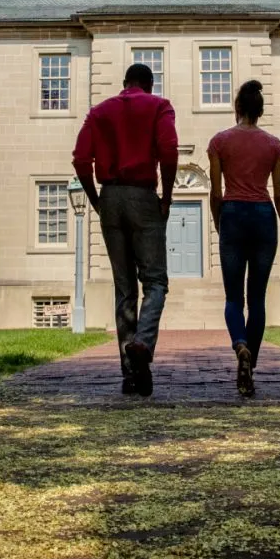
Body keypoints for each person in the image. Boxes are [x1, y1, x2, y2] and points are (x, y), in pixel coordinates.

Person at [72, 63, 179, 397]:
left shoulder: (100, 112)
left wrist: (96, 201)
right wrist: (168, 196)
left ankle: (132, 376)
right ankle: (143, 342)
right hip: (143, 195)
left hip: (110, 196)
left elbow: (79, 160)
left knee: (124, 288)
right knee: (156, 281)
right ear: (149, 84)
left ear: (124, 83)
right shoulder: (159, 106)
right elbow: (169, 150)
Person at [206, 79, 280, 397]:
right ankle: (251, 364)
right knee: (257, 299)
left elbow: (215, 194)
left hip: (233, 214)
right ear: (260, 111)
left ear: (238, 108)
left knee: (234, 299)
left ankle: (240, 346)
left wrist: (221, 224)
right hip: (263, 217)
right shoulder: (275, 145)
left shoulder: (219, 142)